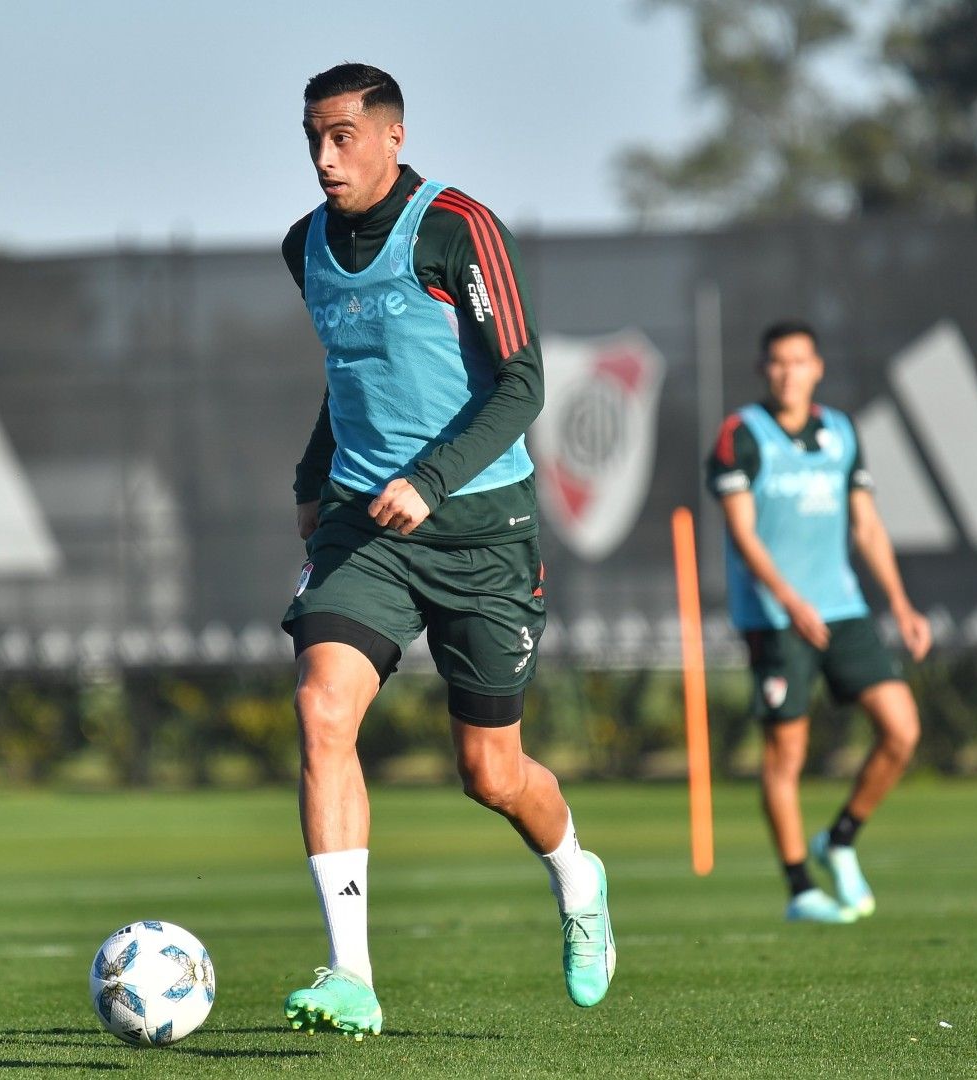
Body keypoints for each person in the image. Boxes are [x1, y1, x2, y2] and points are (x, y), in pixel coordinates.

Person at [277, 62, 613, 1037]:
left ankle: (577, 875)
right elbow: (353, 378)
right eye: (312, 137)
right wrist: (314, 478)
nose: (325, 156)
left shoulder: (455, 226)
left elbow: (522, 382)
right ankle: (351, 976)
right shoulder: (303, 247)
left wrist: (430, 481)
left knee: (491, 774)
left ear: (393, 134)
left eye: (343, 135)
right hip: (367, 526)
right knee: (321, 708)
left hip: (482, 533)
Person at [705, 322, 932, 924]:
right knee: (787, 752)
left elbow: (867, 526)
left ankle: (841, 838)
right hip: (775, 617)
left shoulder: (841, 432)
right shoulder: (740, 436)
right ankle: (801, 888)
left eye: (799, 361)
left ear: (817, 368)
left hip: (841, 605)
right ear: (763, 369)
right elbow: (743, 533)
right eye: (777, 362)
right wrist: (789, 599)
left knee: (902, 729)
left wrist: (902, 604)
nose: (788, 372)